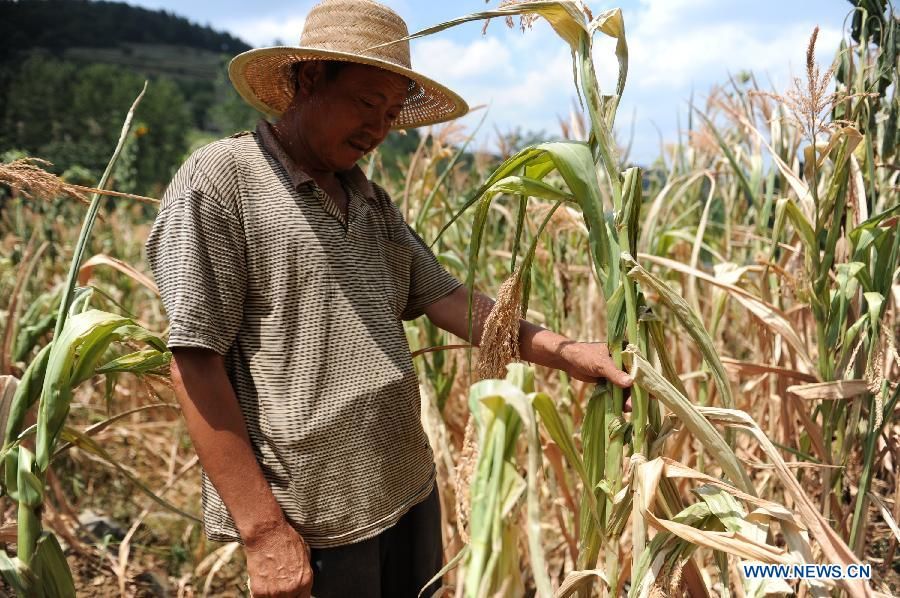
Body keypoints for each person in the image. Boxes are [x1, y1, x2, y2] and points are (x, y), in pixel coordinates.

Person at [145, 1, 633, 596]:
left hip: (405, 481)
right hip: (315, 511)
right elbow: (194, 360)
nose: (378, 129)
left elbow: (448, 299)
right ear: (307, 79)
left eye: (392, 112)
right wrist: (263, 531)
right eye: (366, 103)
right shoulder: (222, 181)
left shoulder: (368, 200)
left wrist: (569, 352)